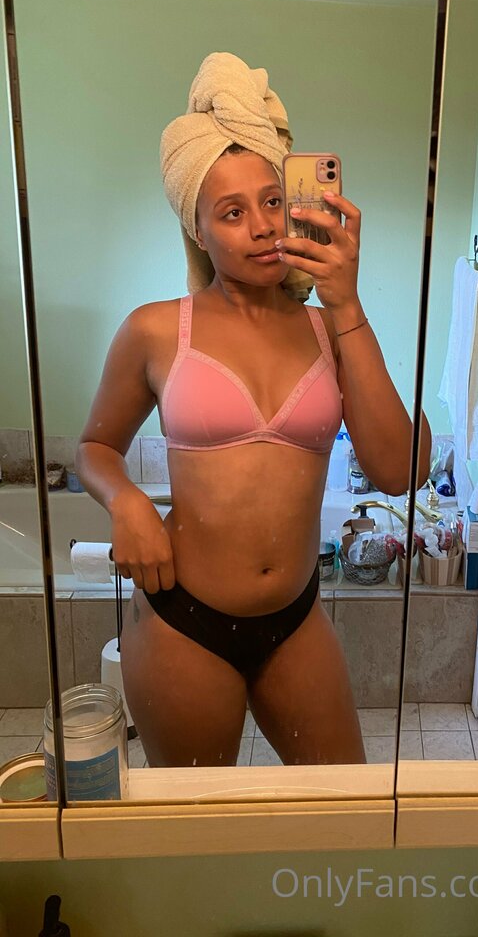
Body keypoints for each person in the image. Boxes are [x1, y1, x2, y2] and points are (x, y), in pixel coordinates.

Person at [75, 52, 432, 768]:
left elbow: (401, 471)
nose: (263, 227)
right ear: (199, 231)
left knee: (342, 808)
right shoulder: (156, 330)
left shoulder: (331, 329)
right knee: (200, 827)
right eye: (232, 213)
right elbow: (94, 448)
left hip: (296, 622)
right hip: (183, 623)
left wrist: (346, 304)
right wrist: (128, 504)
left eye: (273, 201)